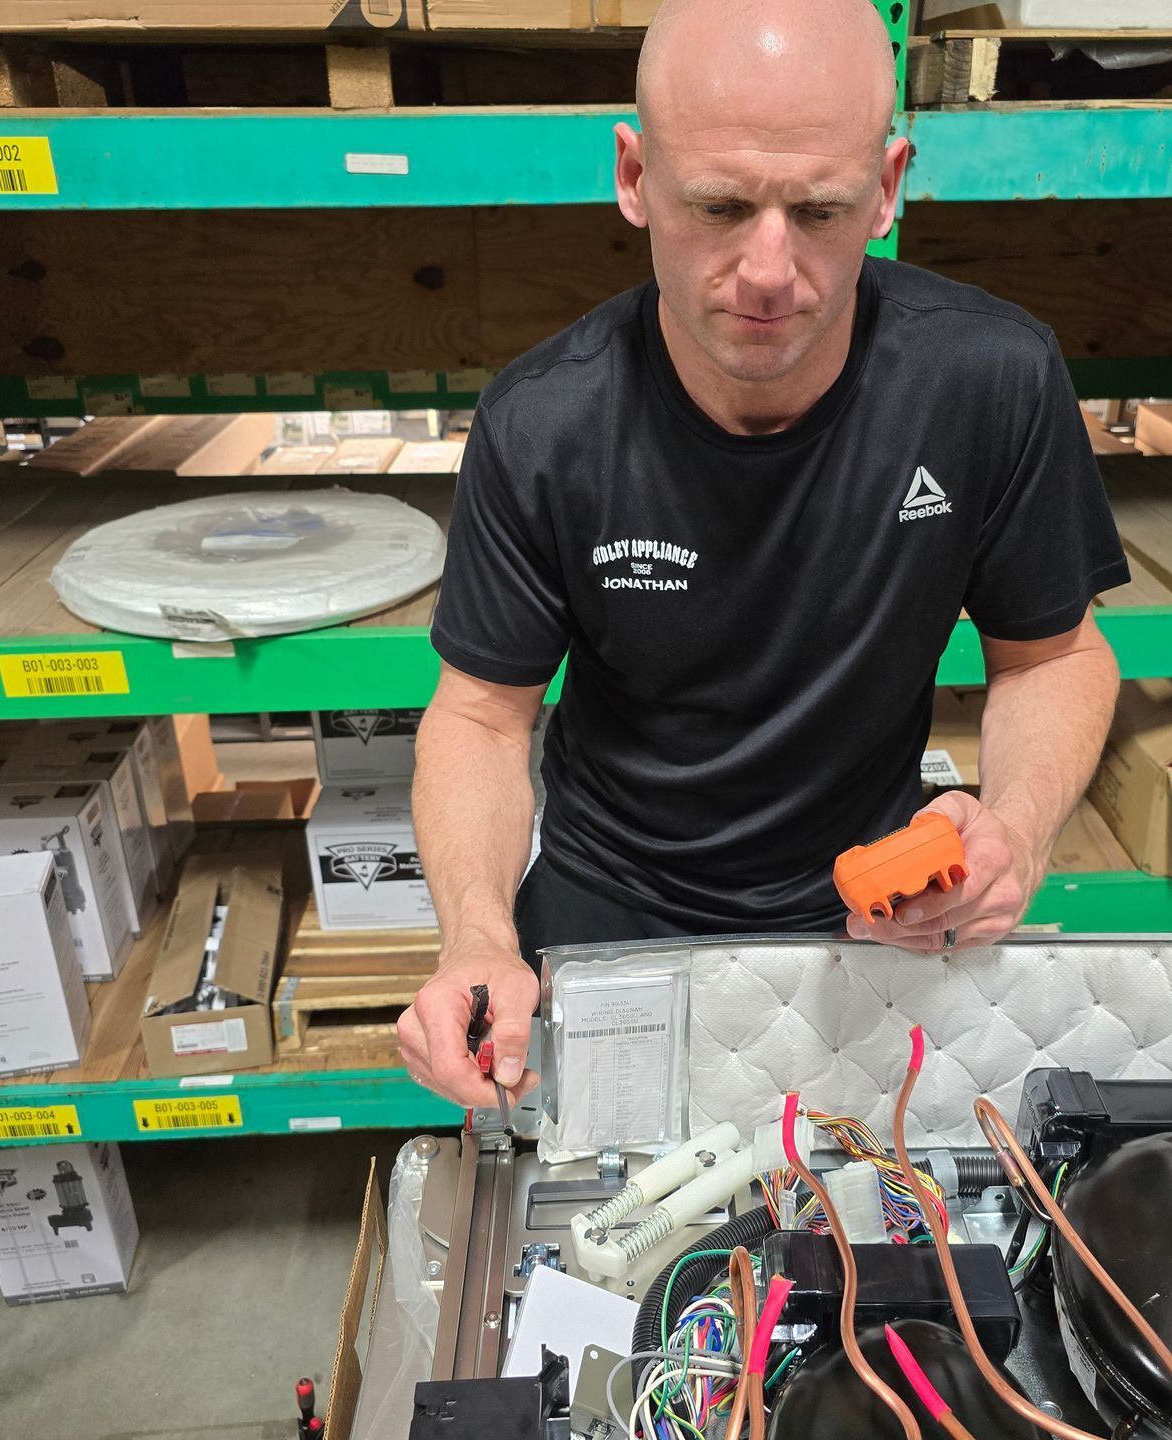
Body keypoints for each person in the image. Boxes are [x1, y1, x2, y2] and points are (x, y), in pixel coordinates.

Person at [394, 0, 1128, 1107]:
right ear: (634, 178)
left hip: (878, 910)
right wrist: (476, 938)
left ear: (887, 189)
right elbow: (482, 719)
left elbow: (1055, 656)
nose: (770, 269)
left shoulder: (991, 383)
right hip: (607, 908)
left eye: (820, 210)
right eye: (720, 206)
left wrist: (1016, 832)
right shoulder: (544, 423)